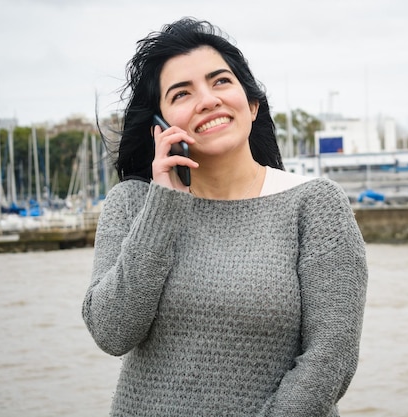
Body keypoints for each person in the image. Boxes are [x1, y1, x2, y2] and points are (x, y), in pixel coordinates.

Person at [82, 17, 368, 417]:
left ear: (251, 105)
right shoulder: (132, 204)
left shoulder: (316, 204)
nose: (208, 99)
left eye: (220, 82)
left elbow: (330, 358)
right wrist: (163, 207)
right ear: (158, 127)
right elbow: (113, 333)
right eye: (182, 93)